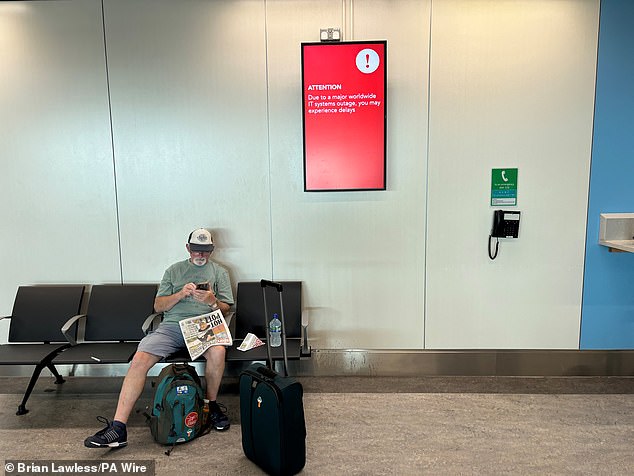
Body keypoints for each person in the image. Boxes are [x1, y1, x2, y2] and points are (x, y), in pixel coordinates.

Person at [84, 228, 234, 448]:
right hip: (173, 326)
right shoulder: (174, 271)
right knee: (140, 359)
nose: (200, 255)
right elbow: (158, 306)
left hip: (204, 326)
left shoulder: (219, 272)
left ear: (211, 250)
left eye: (205, 251)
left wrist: (212, 301)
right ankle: (118, 428)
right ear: (188, 248)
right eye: (196, 250)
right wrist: (181, 294)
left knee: (218, 351)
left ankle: (209, 406)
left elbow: (226, 308)